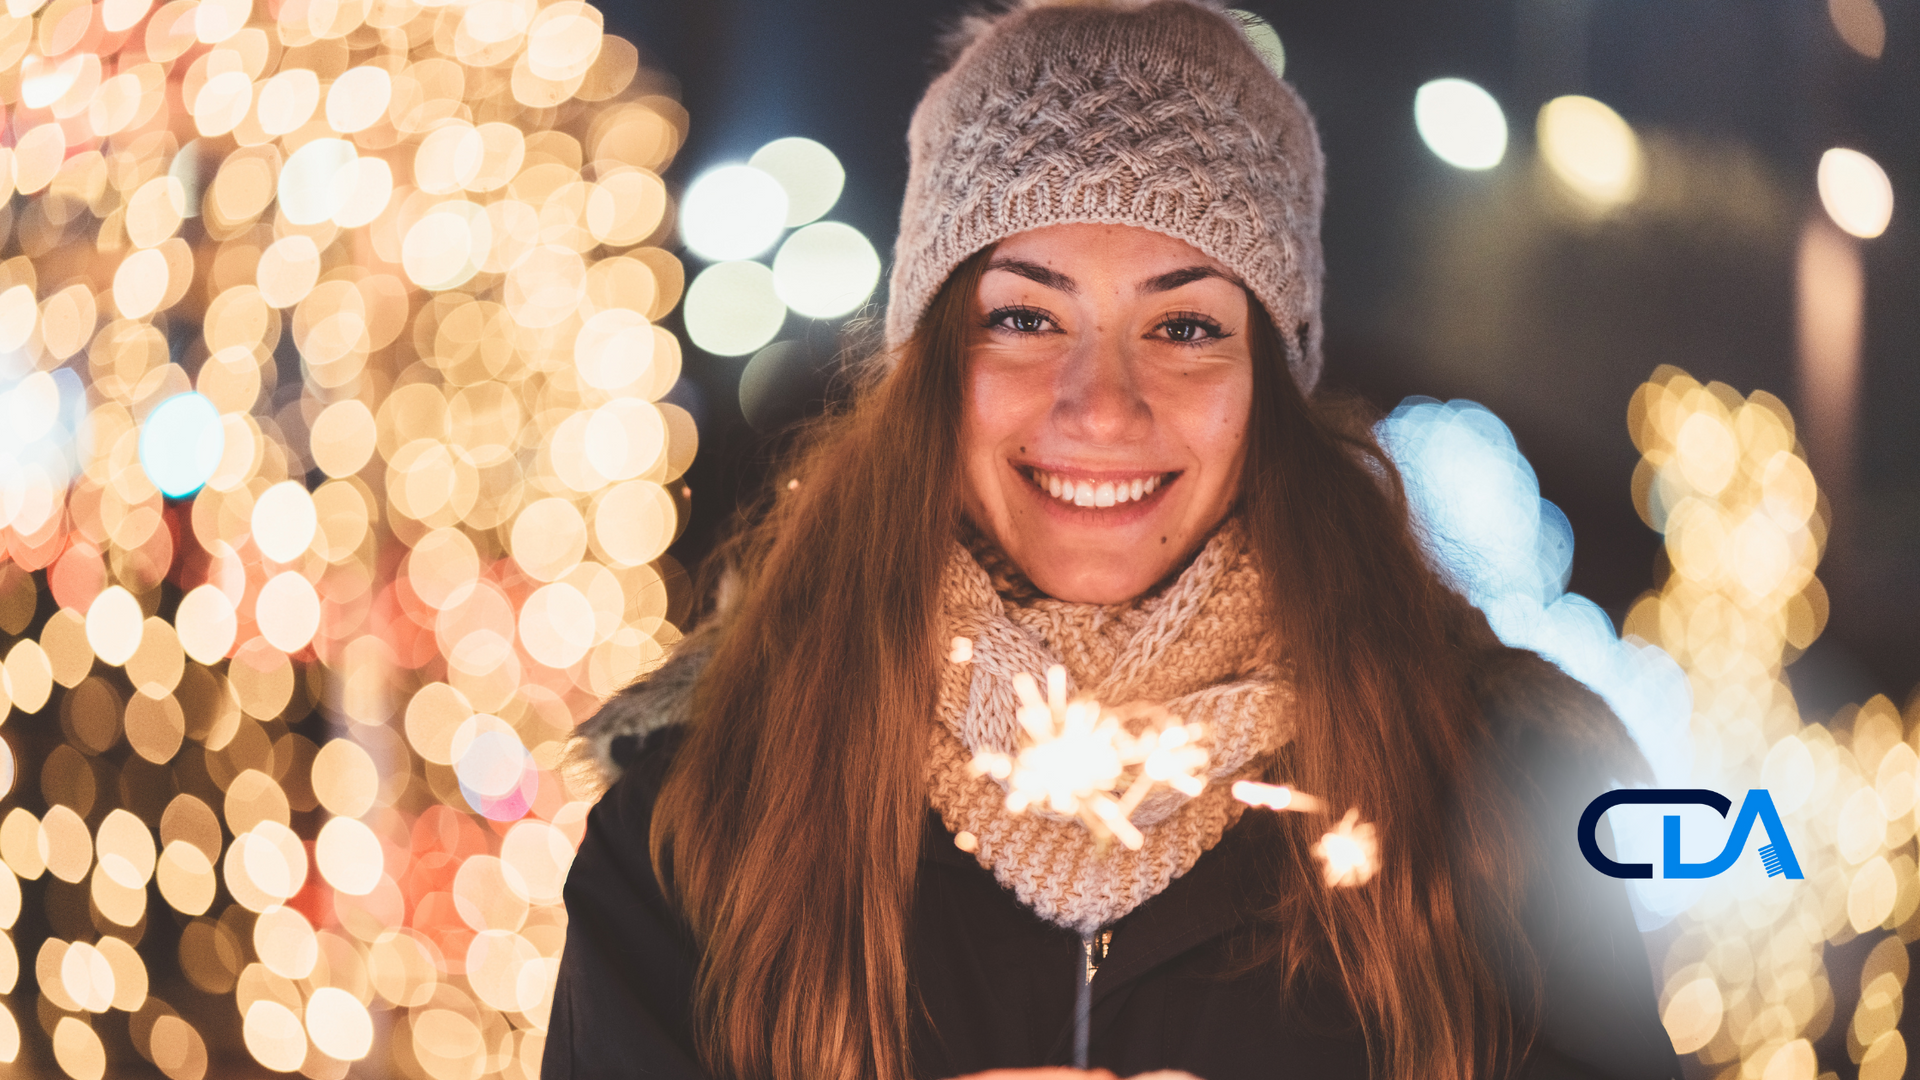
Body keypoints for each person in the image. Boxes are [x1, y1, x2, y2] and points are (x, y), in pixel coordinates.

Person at [543, 2, 1684, 1078]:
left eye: (1185, 326)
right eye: (1025, 318)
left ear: (1270, 384)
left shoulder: (1497, 794)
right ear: (933, 363)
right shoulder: (699, 819)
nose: (1101, 405)